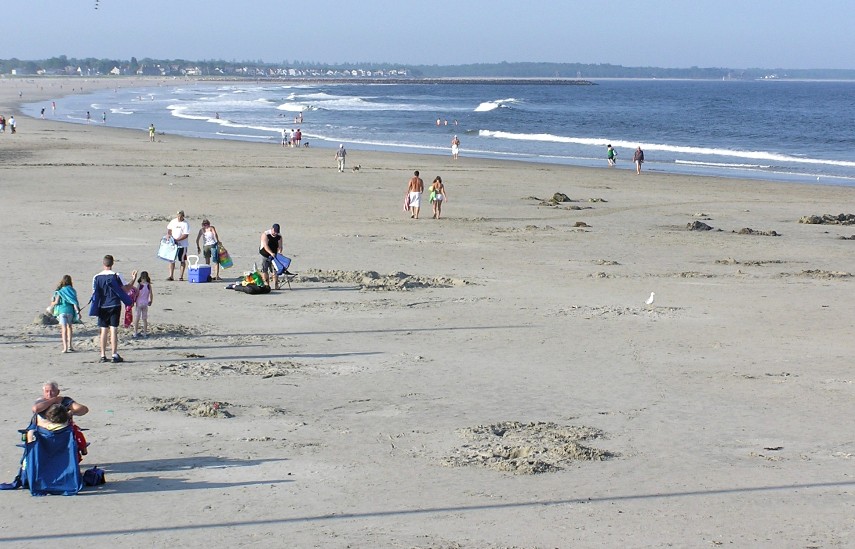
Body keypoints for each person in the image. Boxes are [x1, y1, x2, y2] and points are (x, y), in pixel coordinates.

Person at [91, 254, 136, 363]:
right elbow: (126, 289)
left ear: (103, 264)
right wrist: (133, 279)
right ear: (112, 263)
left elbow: (94, 293)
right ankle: (114, 354)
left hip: (102, 306)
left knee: (103, 330)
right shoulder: (116, 275)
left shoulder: (96, 277)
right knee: (113, 330)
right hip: (115, 304)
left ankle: (102, 355)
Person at [48, 275, 83, 353]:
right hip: (70, 311)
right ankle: (70, 346)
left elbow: (56, 302)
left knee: (64, 329)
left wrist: (51, 304)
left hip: (61, 311)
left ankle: (65, 348)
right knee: (69, 328)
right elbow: (74, 302)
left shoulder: (60, 291)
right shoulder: (72, 291)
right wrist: (78, 312)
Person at [166, 210, 190, 281]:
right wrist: (169, 236)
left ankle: (181, 276)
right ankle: (171, 275)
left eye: (180, 216)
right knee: (171, 260)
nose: (179, 217)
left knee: (182, 260)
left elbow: (185, 235)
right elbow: (169, 229)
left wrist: (177, 240)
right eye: (178, 216)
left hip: (182, 245)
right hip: (173, 244)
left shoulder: (185, 224)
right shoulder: (173, 221)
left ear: (183, 216)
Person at [259, 223, 284, 289]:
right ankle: (267, 285)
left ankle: (276, 285)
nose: (275, 233)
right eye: (274, 231)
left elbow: (280, 246)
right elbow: (265, 246)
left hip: (274, 254)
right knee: (265, 269)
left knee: (275, 270)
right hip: (265, 253)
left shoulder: (279, 236)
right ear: (272, 229)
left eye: (277, 232)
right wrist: (270, 253)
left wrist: (279, 252)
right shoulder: (265, 234)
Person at [133, 271, 153, 338]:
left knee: (137, 318)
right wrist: (151, 301)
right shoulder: (148, 285)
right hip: (145, 303)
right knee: (144, 319)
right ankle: (144, 333)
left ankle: (135, 333)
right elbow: (151, 294)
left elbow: (136, 293)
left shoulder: (139, 285)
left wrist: (134, 300)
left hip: (139, 303)